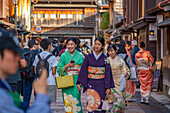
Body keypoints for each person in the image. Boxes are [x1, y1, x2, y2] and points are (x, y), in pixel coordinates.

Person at [0, 28, 52, 113]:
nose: (17, 58)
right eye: (13, 53)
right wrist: (41, 95)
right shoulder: (2, 96)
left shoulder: (4, 86)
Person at [77, 37, 114, 113]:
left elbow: (108, 73)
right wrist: (80, 82)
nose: (96, 46)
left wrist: (108, 87)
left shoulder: (105, 58)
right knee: (91, 104)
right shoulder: (88, 57)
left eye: (99, 44)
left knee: (101, 104)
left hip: (102, 84)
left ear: (103, 46)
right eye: (95, 44)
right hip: (91, 83)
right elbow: (83, 70)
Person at [57, 37, 84, 113]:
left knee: (76, 100)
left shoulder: (80, 55)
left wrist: (80, 71)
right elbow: (59, 69)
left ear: (76, 45)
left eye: (72, 44)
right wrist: (67, 66)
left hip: (76, 81)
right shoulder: (63, 55)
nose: (70, 46)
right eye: (68, 44)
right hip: (67, 80)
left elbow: (84, 69)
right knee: (67, 101)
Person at [33, 39, 57, 104]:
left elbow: (35, 71)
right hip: (50, 82)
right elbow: (54, 72)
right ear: (49, 46)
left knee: (40, 102)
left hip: (40, 82)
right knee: (48, 103)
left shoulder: (37, 56)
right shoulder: (53, 57)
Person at [107, 44, 130, 111]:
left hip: (119, 83)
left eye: (112, 51)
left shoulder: (121, 61)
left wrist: (125, 74)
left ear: (116, 50)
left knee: (120, 102)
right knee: (111, 103)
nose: (110, 53)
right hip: (109, 83)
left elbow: (126, 71)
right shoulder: (107, 60)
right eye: (109, 51)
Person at [21, 39, 40, 108]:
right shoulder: (38, 54)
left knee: (26, 95)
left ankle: (25, 109)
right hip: (36, 75)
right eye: (37, 44)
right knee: (37, 95)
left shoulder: (25, 54)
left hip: (27, 75)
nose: (38, 46)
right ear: (34, 45)